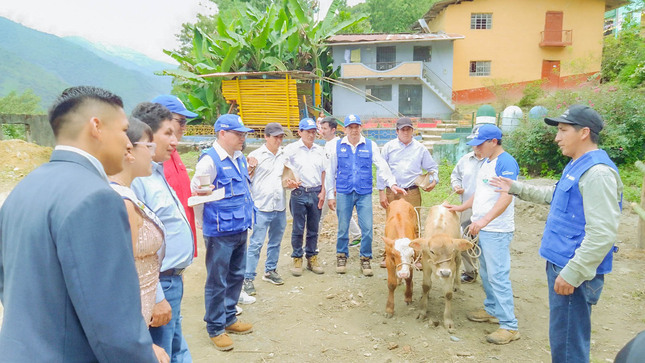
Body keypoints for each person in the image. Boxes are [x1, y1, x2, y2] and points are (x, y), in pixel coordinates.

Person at [0, 86, 159, 362]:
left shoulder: (25, 187)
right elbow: (114, 324)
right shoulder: (97, 198)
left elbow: (9, 283)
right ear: (96, 127)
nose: (128, 143)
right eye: (123, 131)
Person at [489, 105, 623, 362]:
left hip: (574, 272)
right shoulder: (577, 165)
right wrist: (517, 187)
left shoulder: (597, 173)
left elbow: (603, 233)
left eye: (562, 130)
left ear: (584, 132)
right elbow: (557, 194)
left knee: (569, 345)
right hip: (563, 263)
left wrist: (572, 273)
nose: (556, 137)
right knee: (563, 337)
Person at [444, 123, 520, 345]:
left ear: (493, 142)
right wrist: (461, 208)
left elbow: (506, 196)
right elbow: (480, 192)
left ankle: (509, 326)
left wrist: (485, 220)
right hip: (484, 227)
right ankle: (493, 309)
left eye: (479, 145)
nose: (476, 149)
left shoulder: (506, 162)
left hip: (496, 229)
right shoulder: (487, 162)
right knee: (486, 272)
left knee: (498, 275)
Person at [131, 102, 194, 362]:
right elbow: (136, 249)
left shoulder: (156, 171)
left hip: (172, 279)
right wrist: (157, 296)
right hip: (160, 282)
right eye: (167, 133)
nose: (174, 141)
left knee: (176, 347)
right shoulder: (137, 180)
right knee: (163, 351)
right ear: (146, 135)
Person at [190, 114, 254, 351]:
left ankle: (229, 318)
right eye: (238, 134)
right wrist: (201, 224)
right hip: (219, 232)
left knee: (236, 275)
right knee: (218, 280)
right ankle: (215, 327)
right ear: (222, 134)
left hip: (239, 227)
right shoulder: (209, 161)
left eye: (244, 133)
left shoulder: (239, 158)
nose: (243, 138)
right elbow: (196, 196)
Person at [108, 117, 169, 362]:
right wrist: (141, 343)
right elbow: (117, 281)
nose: (153, 154)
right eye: (149, 147)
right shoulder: (121, 202)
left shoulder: (127, 193)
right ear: (129, 150)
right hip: (132, 327)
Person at [326, 114, 405, 276]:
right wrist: (330, 194)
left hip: (364, 193)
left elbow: (381, 166)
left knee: (367, 228)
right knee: (343, 227)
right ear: (345, 129)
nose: (354, 130)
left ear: (361, 128)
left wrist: (392, 183)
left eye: (356, 127)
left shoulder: (370, 145)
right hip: (344, 191)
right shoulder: (337, 146)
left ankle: (365, 258)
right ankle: (341, 255)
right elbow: (330, 171)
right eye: (350, 127)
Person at [377, 117, 439, 268]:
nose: (405, 132)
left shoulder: (420, 148)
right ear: (397, 131)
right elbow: (381, 170)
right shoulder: (389, 147)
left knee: (413, 224)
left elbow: (432, 168)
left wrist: (434, 180)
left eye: (408, 129)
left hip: (411, 191)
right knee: (392, 223)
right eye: (402, 129)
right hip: (393, 191)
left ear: (412, 131)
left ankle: (416, 256)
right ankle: (389, 255)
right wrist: (381, 192)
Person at [243, 123, 288, 296]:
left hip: (279, 205)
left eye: (281, 137)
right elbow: (246, 179)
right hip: (261, 206)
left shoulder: (284, 155)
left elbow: (287, 176)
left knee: (275, 242)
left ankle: (270, 271)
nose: (278, 140)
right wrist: (250, 168)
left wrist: (291, 182)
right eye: (275, 136)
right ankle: (248, 277)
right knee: (256, 243)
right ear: (266, 137)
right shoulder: (255, 156)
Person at [152, 95, 199, 258]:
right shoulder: (151, 160)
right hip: (163, 260)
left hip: (178, 258)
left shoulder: (172, 152)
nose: (184, 127)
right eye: (181, 121)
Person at [282, 117, 327, 276]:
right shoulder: (291, 149)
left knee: (314, 227)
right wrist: (289, 181)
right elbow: (283, 167)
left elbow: (324, 171)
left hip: (315, 192)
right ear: (300, 132)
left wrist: (323, 191)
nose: (311, 135)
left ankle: (312, 257)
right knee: (298, 227)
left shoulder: (319, 150)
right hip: (299, 192)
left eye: (314, 132)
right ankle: (297, 258)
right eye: (308, 132)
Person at [318, 116, 362, 245]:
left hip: (335, 186)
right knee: (341, 212)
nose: (322, 131)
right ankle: (357, 235)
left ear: (333, 130)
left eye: (325, 128)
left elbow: (342, 167)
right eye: (321, 128)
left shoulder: (339, 145)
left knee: (320, 215)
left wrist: (335, 187)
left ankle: (312, 243)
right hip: (329, 185)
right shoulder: (327, 145)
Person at [450, 129, 485, 283]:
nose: (476, 146)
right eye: (474, 143)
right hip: (467, 208)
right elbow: (455, 175)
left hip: (487, 210)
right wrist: (457, 186)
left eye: (479, 143)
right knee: (464, 239)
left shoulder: (493, 162)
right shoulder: (465, 160)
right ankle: (470, 272)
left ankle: (487, 275)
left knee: (483, 242)